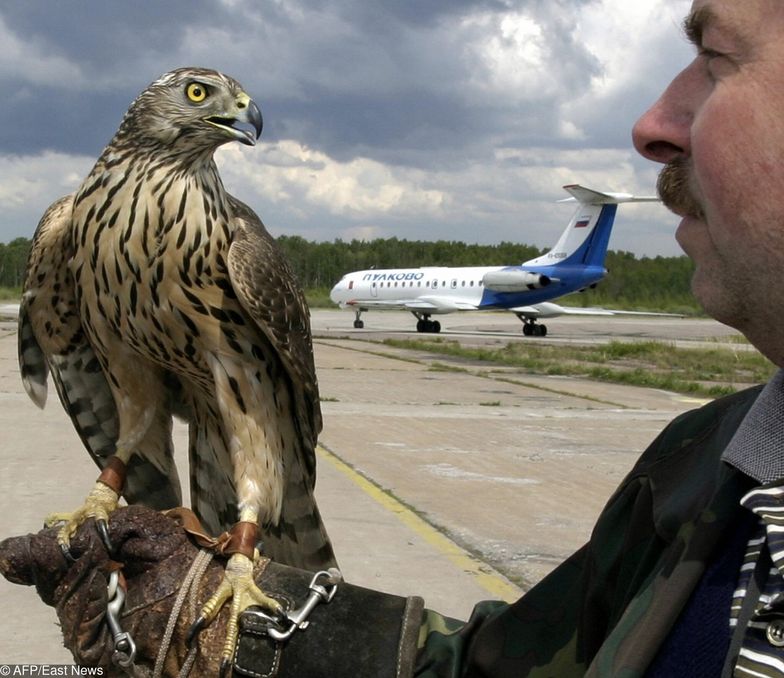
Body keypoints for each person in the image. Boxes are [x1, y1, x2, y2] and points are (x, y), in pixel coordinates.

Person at [3, 0, 784, 675]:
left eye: (716, 58)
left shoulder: (232, 239)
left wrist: (251, 549)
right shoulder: (695, 476)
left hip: (249, 438)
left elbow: (273, 407)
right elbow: (502, 666)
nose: (652, 127)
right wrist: (281, 642)